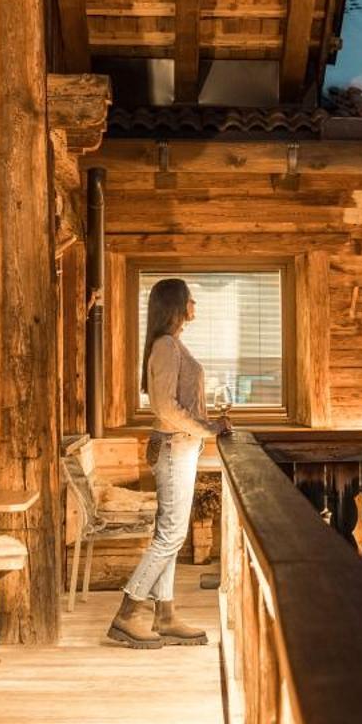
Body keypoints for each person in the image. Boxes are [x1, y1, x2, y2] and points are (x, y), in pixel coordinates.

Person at [108, 277, 230, 649]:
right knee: (172, 534)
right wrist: (208, 428)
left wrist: (207, 427)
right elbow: (164, 408)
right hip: (175, 447)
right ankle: (129, 612)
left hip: (183, 446)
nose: (195, 304)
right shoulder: (164, 346)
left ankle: (165, 614)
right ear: (176, 305)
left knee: (172, 534)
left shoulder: (173, 344)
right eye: (190, 299)